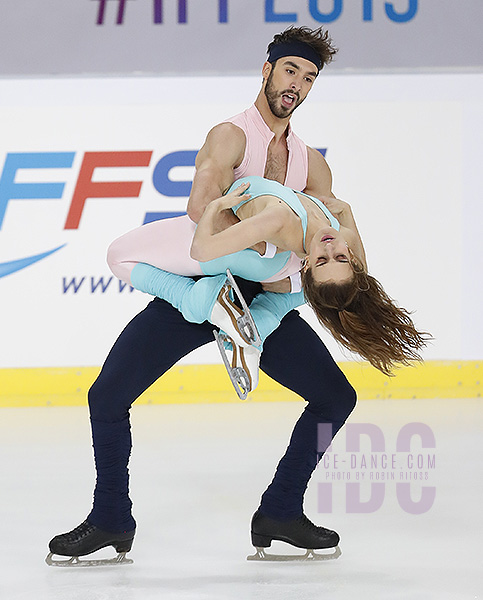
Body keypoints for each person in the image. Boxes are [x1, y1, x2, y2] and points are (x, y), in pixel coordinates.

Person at [48, 26, 367, 564]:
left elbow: (329, 232)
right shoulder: (231, 135)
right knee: (107, 395)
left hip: (259, 295)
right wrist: (259, 225)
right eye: (290, 70)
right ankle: (110, 518)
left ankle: (281, 510)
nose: (297, 84)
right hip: (201, 285)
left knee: (336, 397)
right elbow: (202, 205)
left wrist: (311, 279)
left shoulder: (311, 164)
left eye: (309, 77)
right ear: (266, 71)